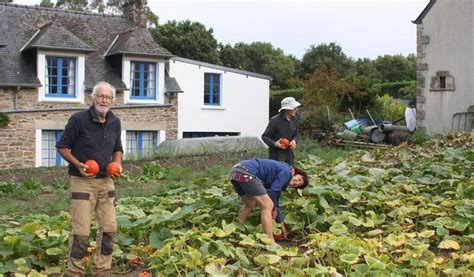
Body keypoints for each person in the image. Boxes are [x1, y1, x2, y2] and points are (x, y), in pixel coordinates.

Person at [56, 81, 123, 276]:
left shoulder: (114, 122)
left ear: (113, 100)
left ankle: (101, 271)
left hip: (106, 181)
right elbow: (62, 146)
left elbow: (117, 149)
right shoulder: (78, 120)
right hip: (82, 181)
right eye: (100, 96)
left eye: (108, 97)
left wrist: (117, 164)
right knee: (81, 233)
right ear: (92, 98)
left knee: (109, 229)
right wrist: (78, 164)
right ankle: (74, 272)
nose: (104, 100)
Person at [229, 158, 309, 245]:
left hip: (236, 171)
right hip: (247, 172)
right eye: (300, 179)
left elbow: (275, 194)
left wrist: (280, 220)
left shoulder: (283, 170)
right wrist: (274, 209)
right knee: (268, 206)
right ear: (297, 173)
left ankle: (236, 231)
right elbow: (272, 192)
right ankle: (270, 241)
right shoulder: (287, 172)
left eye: (298, 185)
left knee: (249, 204)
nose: (297, 183)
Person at [262, 97, 301, 166]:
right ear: (287, 109)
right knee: (277, 174)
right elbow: (265, 137)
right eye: (294, 108)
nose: (296, 109)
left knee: (290, 173)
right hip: (276, 155)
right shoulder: (274, 121)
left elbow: (296, 134)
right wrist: (275, 144)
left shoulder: (294, 119)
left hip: (289, 155)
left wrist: (294, 141)